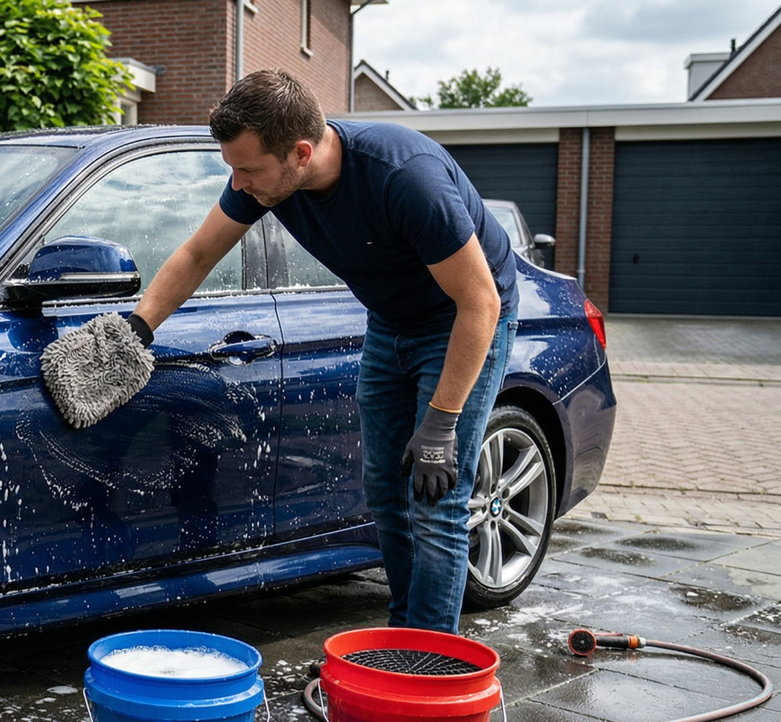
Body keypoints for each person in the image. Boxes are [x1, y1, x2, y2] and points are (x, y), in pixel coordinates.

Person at [126, 69, 517, 634]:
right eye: (231, 167)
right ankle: (404, 632)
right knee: (385, 492)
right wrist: (137, 328)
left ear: (300, 153)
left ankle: (430, 661)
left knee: (436, 499)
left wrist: (439, 426)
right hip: (391, 320)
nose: (238, 183)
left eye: (248, 169)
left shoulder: (405, 178)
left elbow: (479, 303)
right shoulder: (263, 179)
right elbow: (196, 255)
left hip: (462, 321)